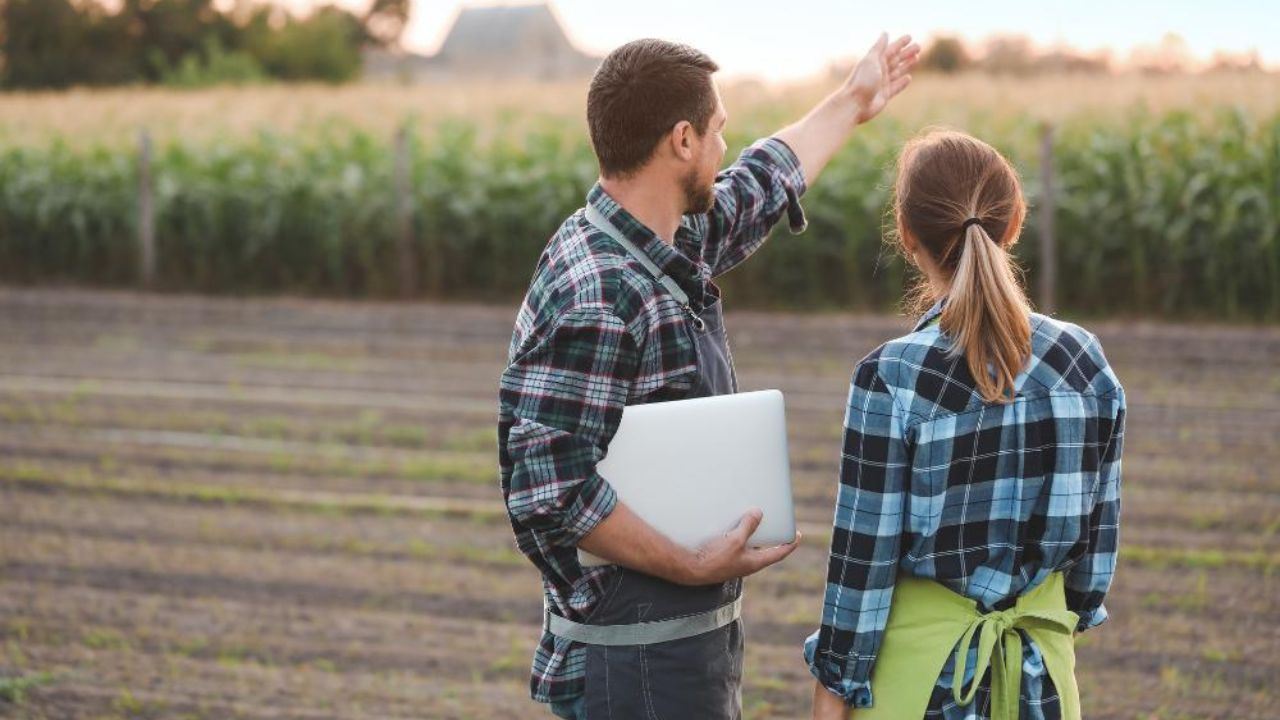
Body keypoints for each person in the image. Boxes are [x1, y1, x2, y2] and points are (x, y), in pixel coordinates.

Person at [498, 33, 920, 720]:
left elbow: (759, 183)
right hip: (633, 668)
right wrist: (689, 565)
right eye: (720, 131)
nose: (727, 149)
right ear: (684, 140)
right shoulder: (600, 293)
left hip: (675, 653)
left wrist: (853, 101)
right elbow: (547, 492)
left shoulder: (656, 239)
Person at [807, 129, 1126, 720]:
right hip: (1042, 688)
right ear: (1014, 224)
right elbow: (1089, 576)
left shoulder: (891, 377)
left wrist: (830, 699)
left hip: (921, 692)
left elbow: (862, 569)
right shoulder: (1085, 363)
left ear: (907, 237)